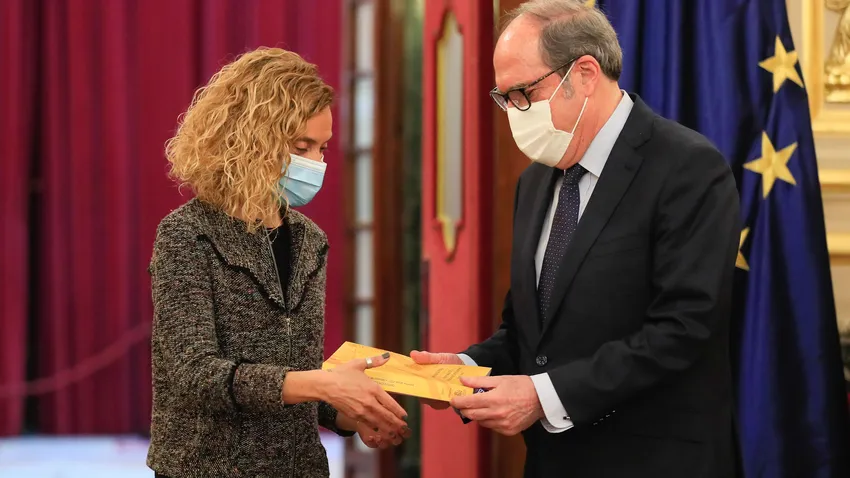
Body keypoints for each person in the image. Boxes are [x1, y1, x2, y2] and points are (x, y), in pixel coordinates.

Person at [411, 1, 741, 477]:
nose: (514, 112)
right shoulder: (535, 181)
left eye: (524, 93)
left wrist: (544, 396)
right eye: (504, 97)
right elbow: (530, 332)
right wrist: (464, 367)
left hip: (653, 460)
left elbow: (683, 329)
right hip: (553, 461)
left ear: (585, 74)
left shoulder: (688, 168)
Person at [146, 47, 409, 478]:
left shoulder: (310, 240)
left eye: (322, 148)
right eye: (301, 146)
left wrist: (351, 413)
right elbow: (194, 374)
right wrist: (324, 384)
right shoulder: (187, 233)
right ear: (249, 140)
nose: (316, 162)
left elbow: (295, 377)